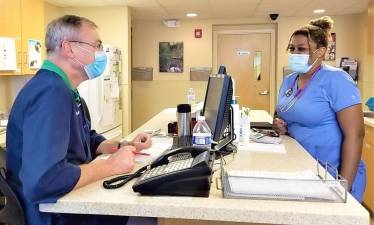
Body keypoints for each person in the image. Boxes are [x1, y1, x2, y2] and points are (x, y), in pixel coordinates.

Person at [6, 15, 154, 225]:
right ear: (69, 48)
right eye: (96, 45)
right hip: (51, 215)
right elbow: (45, 180)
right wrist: (110, 166)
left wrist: (120, 146)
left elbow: (84, 140)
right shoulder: (50, 93)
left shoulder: (66, 91)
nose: (101, 54)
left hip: (70, 203)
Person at [273, 16, 366, 202]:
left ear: (321, 51)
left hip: (330, 174)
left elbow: (355, 135)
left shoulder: (337, 80)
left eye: (301, 49)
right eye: (292, 49)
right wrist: (281, 126)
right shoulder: (289, 80)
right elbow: (282, 112)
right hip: (301, 169)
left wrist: (341, 186)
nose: (294, 53)